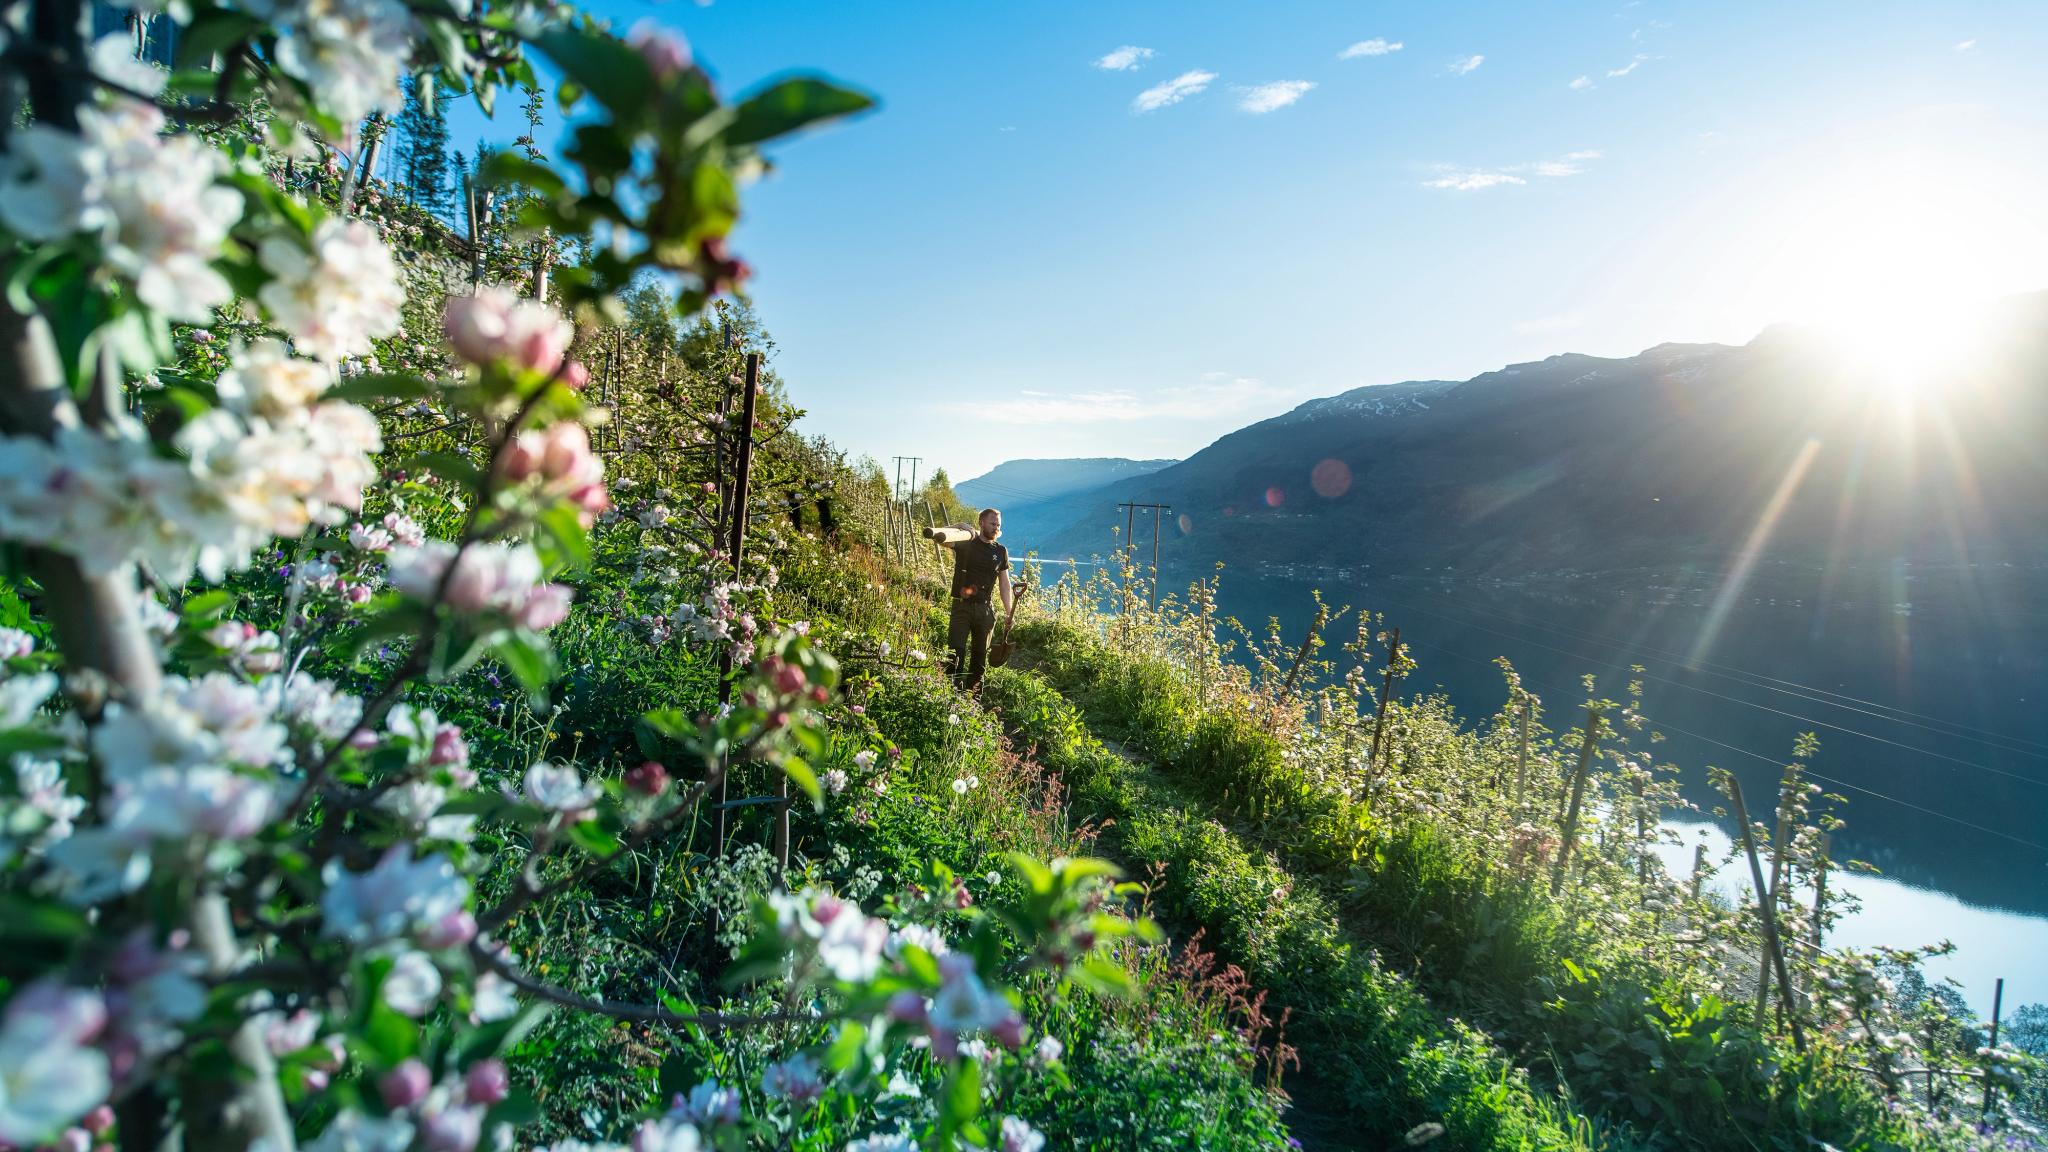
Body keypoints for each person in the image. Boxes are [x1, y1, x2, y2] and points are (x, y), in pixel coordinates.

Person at [939, 507, 1013, 691]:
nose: (996, 527)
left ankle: (973, 700)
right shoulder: (966, 542)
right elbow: (939, 536)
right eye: (992, 523)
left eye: (998, 524)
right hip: (961, 608)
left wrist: (1009, 612)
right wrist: (958, 526)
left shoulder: (1001, 551)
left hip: (985, 611)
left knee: (980, 658)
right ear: (981, 522)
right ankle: (949, 694)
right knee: (955, 653)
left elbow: (1005, 584)